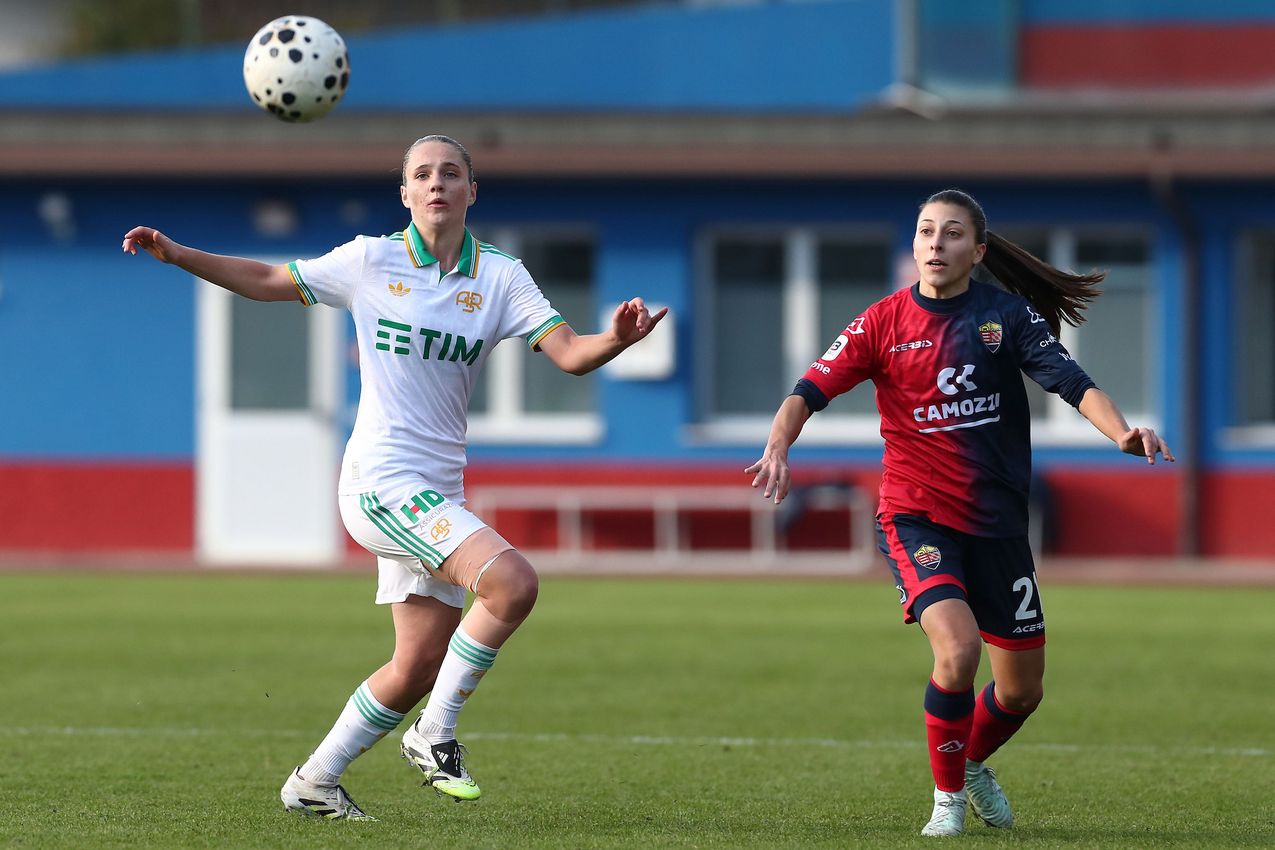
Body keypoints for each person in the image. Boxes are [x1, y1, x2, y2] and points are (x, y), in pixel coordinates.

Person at [122, 134, 667, 821]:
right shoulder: (369, 259)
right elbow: (269, 281)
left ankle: (314, 781)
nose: (436, 183)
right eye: (421, 174)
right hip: (380, 481)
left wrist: (617, 338)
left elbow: (570, 354)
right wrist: (178, 255)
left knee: (416, 667)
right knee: (512, 583)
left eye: (450, 173)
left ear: (472, 191)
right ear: (405, 194)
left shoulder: (500, 276)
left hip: (436, 490)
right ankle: (434, 735)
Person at [745, 189, 1173, 837]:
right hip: (916, 517)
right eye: (924, 232)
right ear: (913, 246)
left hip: (998, 527)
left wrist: (1119, 434)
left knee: (1022, 692)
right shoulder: (880, 322)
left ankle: (969, 762)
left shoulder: (1005, 317)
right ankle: (946, 802)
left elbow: (1072, 382)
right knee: (957, 650)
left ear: (975, 251)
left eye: (949, 234)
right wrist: (777, 444)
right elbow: (807, 391)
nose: (935, 244)